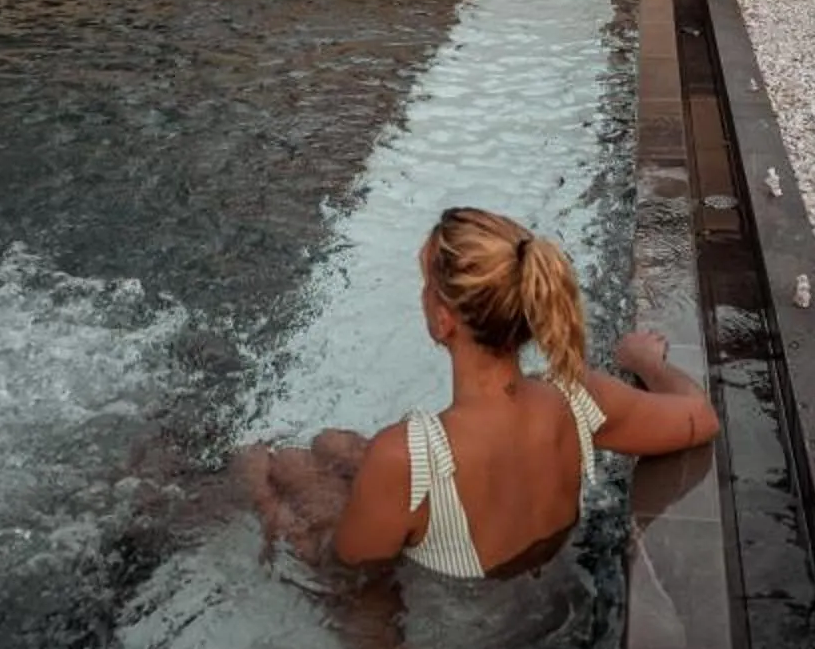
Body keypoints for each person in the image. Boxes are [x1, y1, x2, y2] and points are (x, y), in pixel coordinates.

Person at [245, 206, 718, 579]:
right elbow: (701, 416)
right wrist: (647, 364)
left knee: (262, 464)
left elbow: (350, 585)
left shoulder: (404, 457)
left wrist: (272, 513)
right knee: (334, 445)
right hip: (532, 568)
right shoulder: (582, 397)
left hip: (463, 605)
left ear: (443, 319)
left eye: (426, 286)